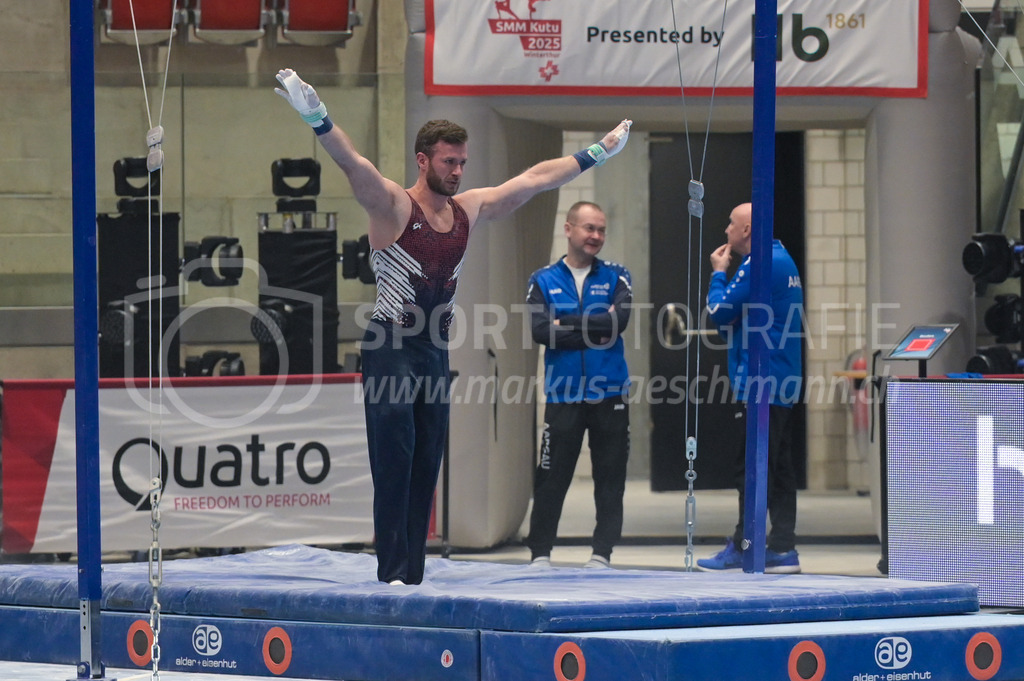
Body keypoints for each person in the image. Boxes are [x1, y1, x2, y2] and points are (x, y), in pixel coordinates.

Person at [274, 68, 632, 585]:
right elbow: (353, 165)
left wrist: (595, 152)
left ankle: (411, 575)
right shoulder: (394, 205)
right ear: (424, 160)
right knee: (394, 455)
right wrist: (317, 116)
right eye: (449, 162)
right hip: (390, 343)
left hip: (433, 348)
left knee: (426, 463)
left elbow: (533, 180)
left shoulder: (469, 209)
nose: (459, 171)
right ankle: (390, 571)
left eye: (463, 162)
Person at [524, 201, 632, 569]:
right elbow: (540, 331)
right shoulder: (542, 280)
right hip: (563, 394)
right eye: (589, 228)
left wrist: (565, 323)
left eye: (601, 230)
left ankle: (602, 553)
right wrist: (596, 325)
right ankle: (540, 552)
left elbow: (619, 325)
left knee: (610, 478)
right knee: (552, 476)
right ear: (569, 229)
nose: (596, 236)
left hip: (610, 393)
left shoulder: (618, 277)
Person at [697, 202, 804, 574]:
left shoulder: (758, 263)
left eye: (730, 223)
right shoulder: (782, 259)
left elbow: (720, 312)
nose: (725, 230)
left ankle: (746, 546)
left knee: (753, 470)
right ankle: (783, 547)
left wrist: (718, 274)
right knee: (780, 468)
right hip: (782, 378)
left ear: (746, 230)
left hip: (762, 381)